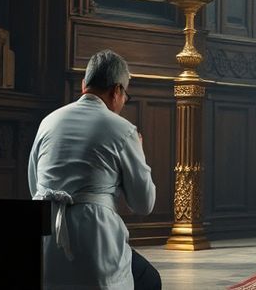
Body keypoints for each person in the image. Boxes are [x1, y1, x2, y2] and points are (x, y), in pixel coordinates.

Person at [28, 50, 160, 290]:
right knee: (150, 280)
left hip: (44, 241)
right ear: (117, 91)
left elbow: (34, 184)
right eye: (125, 96)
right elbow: (144, 203)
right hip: (95, 240)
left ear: (83, 85)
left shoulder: (48, 121)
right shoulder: (123, 130)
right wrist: (139, 152)